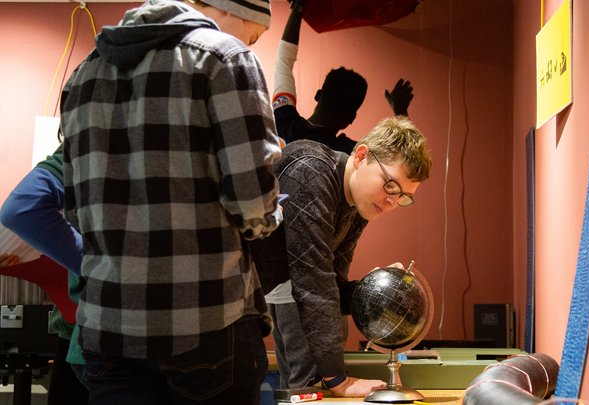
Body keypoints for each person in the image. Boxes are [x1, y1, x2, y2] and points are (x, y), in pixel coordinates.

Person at [60, 0, 283, 403]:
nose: (252, 42)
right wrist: (272, 210)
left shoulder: (82, 74)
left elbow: (75, 212)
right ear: (230, 10)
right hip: (206, 323)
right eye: (256, 33)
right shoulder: (225, 59)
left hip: (109, 327)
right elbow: (254, 210)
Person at [264, 116, 432, 397]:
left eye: (403, 196)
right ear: (362, 155)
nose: (392, 202)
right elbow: (314, 283)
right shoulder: (311, 172)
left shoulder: (358, 204)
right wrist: (337, 380)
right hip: (225, 294)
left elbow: (334, 285)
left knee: (324, 346)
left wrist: (377, 288)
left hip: (282, 288)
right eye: (390, 184)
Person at [0, 144, 89, 405]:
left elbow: (22, 207)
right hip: (80, 324)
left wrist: (93, 266)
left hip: (86, 328)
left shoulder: (86, 133)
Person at [272, 0, 414, 154]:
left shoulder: (283, 120)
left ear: (318, 95)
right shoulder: (351, 154)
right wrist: (400, 109)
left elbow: (283, 61)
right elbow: (403, 155)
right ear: (351, 118)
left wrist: (298, 8)